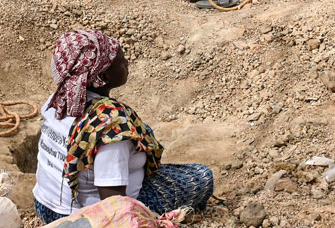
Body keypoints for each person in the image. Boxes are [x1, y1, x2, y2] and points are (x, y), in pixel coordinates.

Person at [33, 30, 214, 223]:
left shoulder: (58, 100)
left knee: (144, 131)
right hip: (82, 219)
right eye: (120, 60)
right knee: (202, 176)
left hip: (44, 205)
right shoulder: (111, 126)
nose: (127, 62)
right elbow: (113, 206)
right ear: (103, 76)